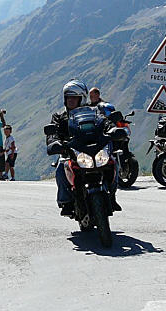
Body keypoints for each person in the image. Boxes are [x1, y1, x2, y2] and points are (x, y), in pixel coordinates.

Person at [46, 80, 121, 215]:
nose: (70, 100)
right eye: (68, 97)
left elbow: (106, 122)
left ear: (82, 98)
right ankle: (66, 202)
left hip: (94, 149)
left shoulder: (95, 112)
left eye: (74, 97)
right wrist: (54, 142)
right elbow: (53, 132)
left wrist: (113, 130)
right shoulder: (59, 116)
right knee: (60, 169)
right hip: (72, 151)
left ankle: (112, 195)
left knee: (113, 162)